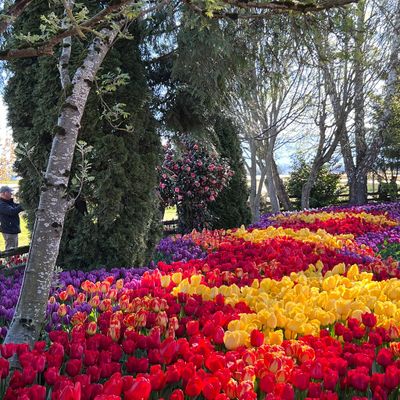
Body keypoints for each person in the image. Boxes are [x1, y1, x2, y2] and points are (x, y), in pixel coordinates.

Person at [0, 186, 23, 250]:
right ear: (5, 193)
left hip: (12, 229)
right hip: (9, 230)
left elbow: (16, 206)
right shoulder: (1, 204)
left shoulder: (8, 202)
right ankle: (10, 257)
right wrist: (23, 205)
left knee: (14, 248)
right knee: (10, 249)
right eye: (10, 192)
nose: (11, 193)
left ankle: (14, 257)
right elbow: (12, 211)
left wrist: (25, 204)